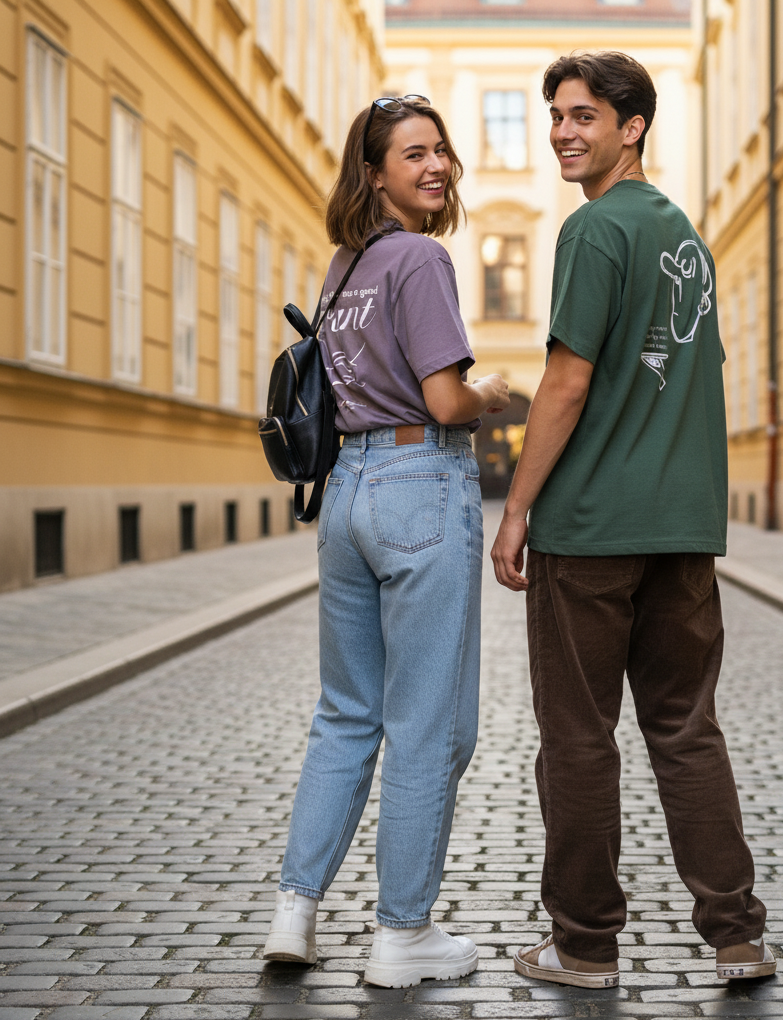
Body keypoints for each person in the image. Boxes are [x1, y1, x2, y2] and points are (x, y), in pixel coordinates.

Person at [491, 51, 774, 987]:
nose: (565, 132)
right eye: (557, 117)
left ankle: (582, 947)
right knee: (687, 728)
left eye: (583, 116)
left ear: (632, 126)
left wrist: (516, 509)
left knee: (577, 737)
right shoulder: (683, 236)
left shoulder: (595, 232)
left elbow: (566, 384)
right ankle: (736, 935)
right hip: (684, 527)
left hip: (594, 529)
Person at [263, 95, 509, 989]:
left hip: (348, 497)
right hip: (419, 484)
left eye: (441, 150)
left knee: (345, 714)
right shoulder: (420, 257)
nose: (436, 166)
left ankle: (296, 911)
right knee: (428, 726)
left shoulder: (345, 265)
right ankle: (403, 935)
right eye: (414, 155)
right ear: (374, 174)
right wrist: (499, 394)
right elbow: (445, 401)